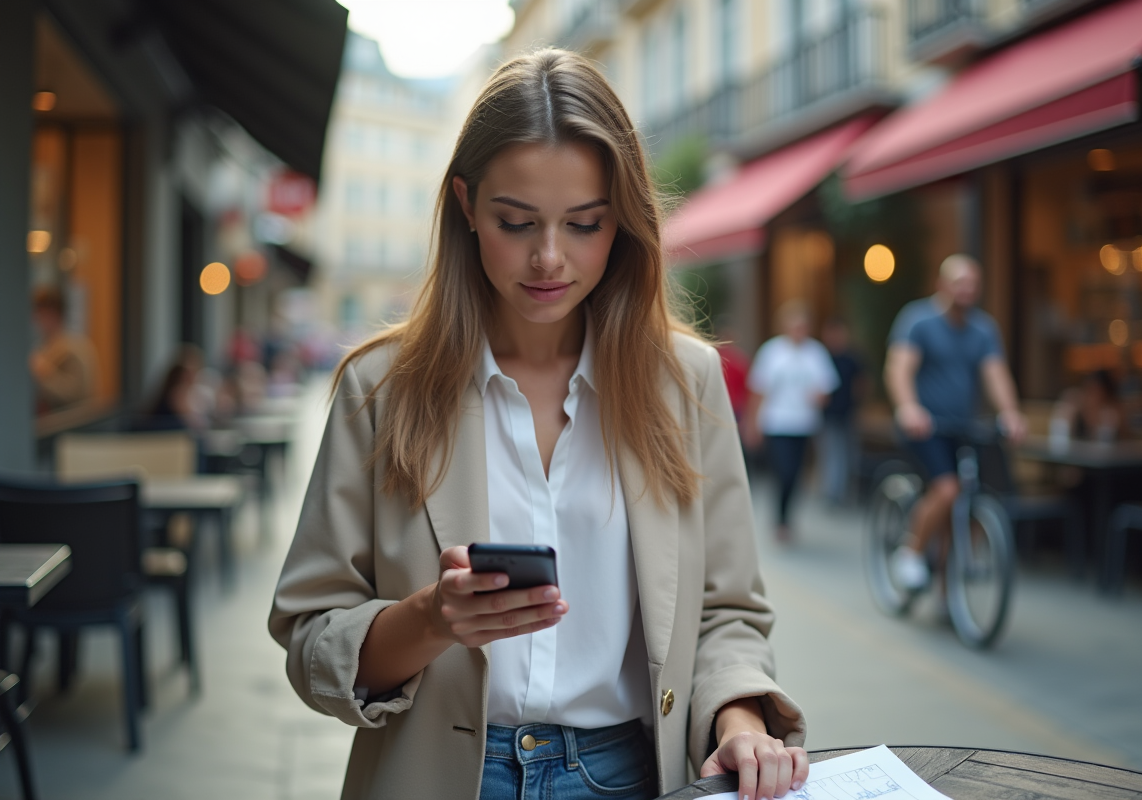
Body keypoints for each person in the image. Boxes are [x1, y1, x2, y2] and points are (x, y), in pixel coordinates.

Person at [269, 50, 807, 800]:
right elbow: (309, 641)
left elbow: (727, 613)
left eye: (584, 224)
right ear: (465, 204)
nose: (549, 258)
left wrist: (741, 723)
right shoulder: (379, 388)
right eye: (515, 221)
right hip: (437, 778)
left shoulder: (687, 383)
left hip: (634, 774)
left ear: (622, 221)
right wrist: (432, 618)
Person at [883, 254, 1027, 590]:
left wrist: (1010, 412)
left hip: (965, 427)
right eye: (960, 283)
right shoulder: (918, 320)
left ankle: (950, 586)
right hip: (926, 427)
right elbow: (899, 369)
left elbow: (996, 375)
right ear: (942, 284)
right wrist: (908, 407)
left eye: (973, 284)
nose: (967, 290)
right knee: (947, 489)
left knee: (979, 496)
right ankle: (911, 552)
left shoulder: (983, 329)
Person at [744, 302, 839, 542]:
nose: (800, 331)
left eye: (803, 326)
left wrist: (819, 396)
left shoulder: (816, 353)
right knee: (784, 471)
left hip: (804, 424)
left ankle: (786, 517)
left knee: (796, 475)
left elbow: (827, 388)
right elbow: (759, 391)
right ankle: (780, 519)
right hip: (777, 422)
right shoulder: (772, 352)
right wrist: (752, 423)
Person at [29, 285, 97, 414]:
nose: (36, 320)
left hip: (69, 424)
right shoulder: (44, 345)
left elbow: (76, 394)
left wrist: (42, 372)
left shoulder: (75, 348)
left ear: (53, 313)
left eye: (40, 313)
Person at [818, 317, 865, 506]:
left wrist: (859, 404)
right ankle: (832, 492)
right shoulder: (821, 357)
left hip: (848, 413)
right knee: (830, 452)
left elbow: (862, 382)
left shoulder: (852, 357)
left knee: (848, 454)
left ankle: (844, 491)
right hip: (827, 414)